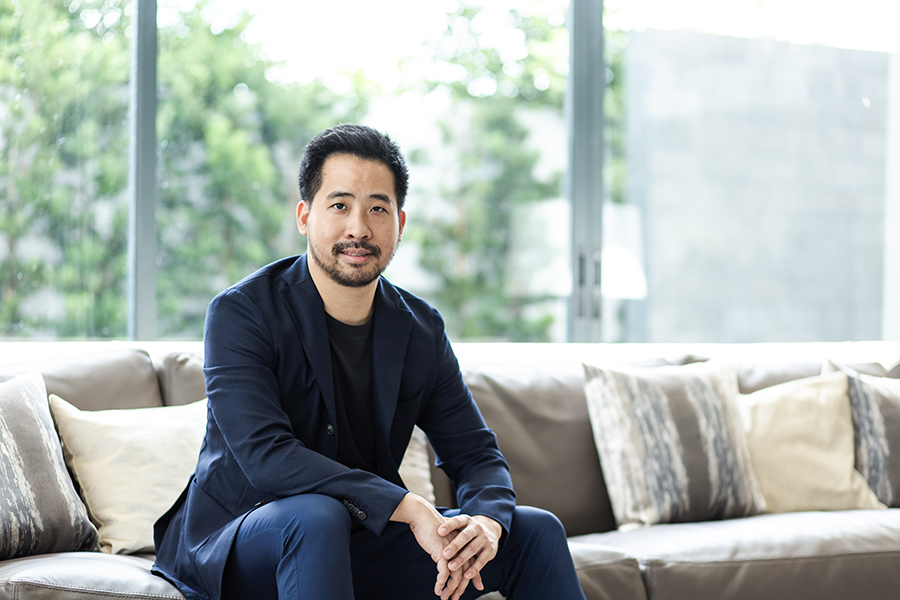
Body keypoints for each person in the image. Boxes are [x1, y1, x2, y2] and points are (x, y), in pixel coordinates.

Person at [152, 123, 587, 600]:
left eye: (378, 209)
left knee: (534, 532)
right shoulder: (242, 313)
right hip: (238, 541)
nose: (358, 228)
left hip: (356, 539)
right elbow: (267, 458)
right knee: (316, 516)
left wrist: (485, 522)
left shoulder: (420, 329)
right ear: (304, 216)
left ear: (400, 223)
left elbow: (475, 454)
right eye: (339, 206)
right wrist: (408, 506)